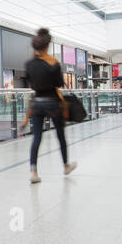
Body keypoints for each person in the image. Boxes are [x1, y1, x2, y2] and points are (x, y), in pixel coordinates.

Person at [19, 27, 75, 184]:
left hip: (36, 103)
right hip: (53, 103)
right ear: (47, 46)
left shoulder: (29, 64)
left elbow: (30, 83)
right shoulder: (54, 63)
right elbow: (59, 83)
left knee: (37, 137)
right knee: (60, 135)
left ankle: (34, 171)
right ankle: (65, 165)